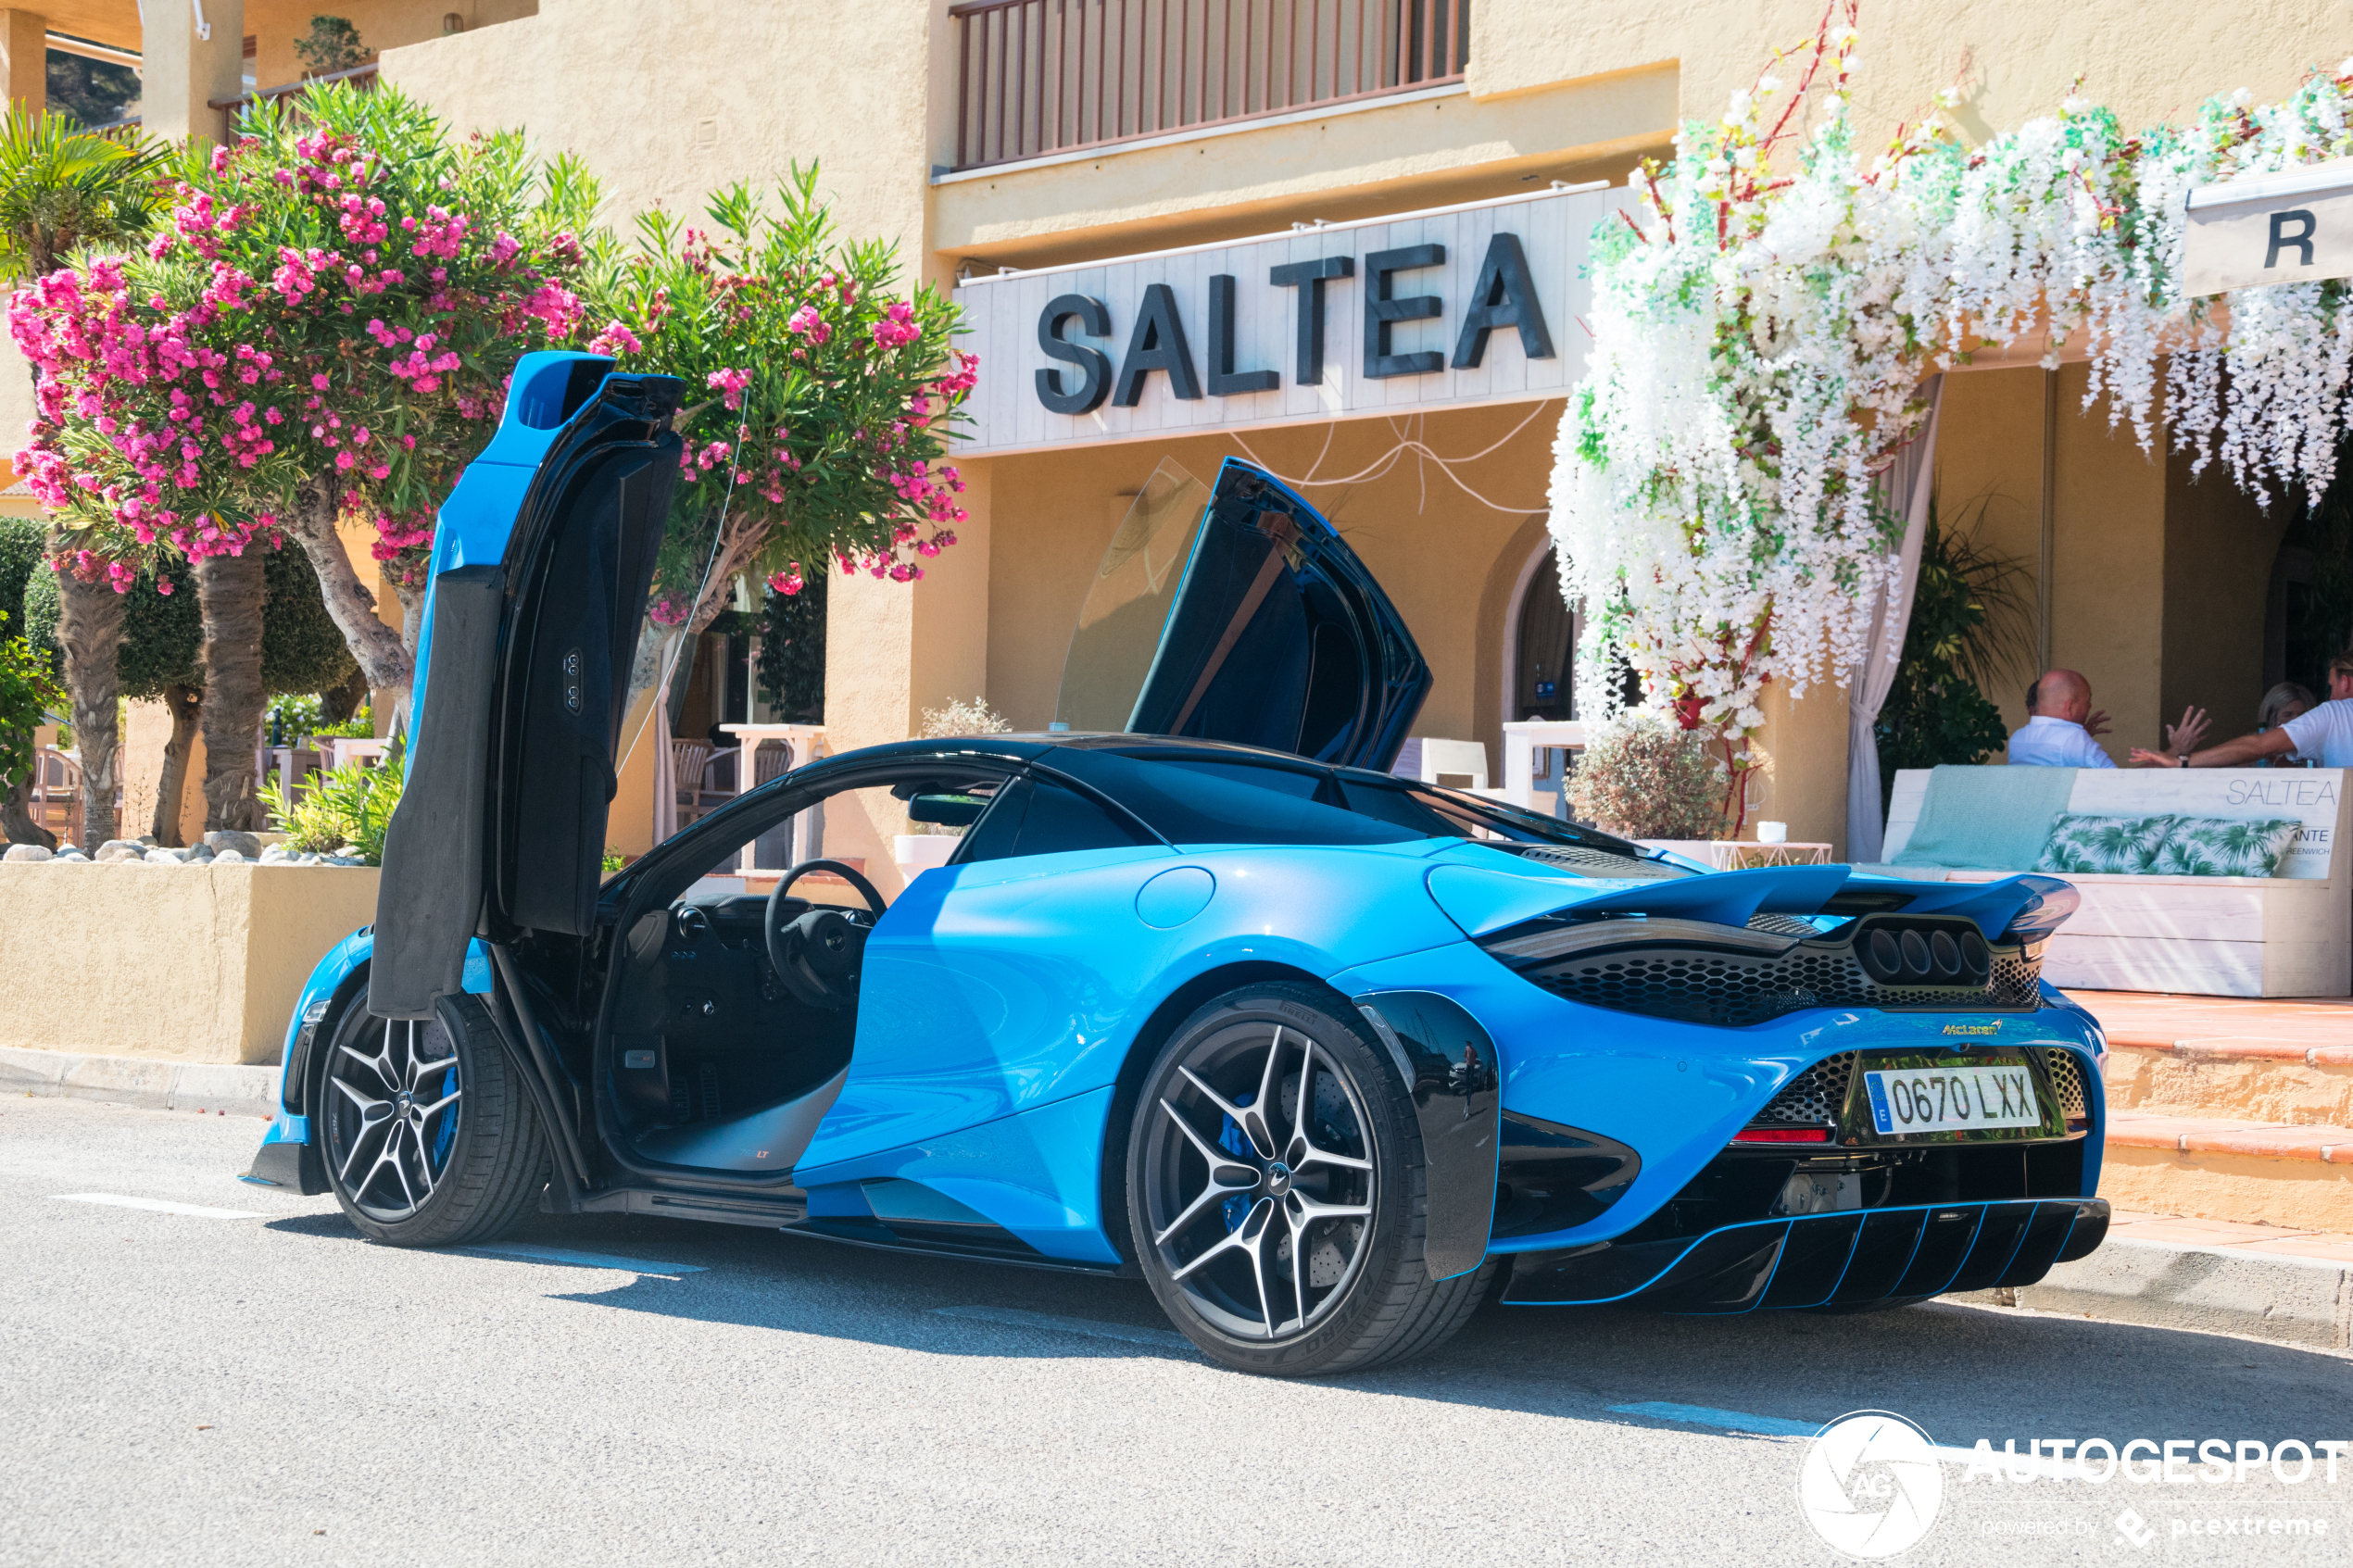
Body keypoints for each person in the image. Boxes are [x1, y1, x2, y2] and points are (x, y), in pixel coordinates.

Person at [2133, 658, 2353, 768]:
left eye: (2332, 686)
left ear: (2345, 682)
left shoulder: (2336, 713)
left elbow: (2256, 746)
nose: (2331, 696)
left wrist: (2180, 761)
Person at [2007, 668, 2208, 768]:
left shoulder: (2017, 738)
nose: (2090, 706)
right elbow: (2118, 785)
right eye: (2087, 701)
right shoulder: (2074, 740)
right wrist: (2175, 750)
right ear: (2070, 706)